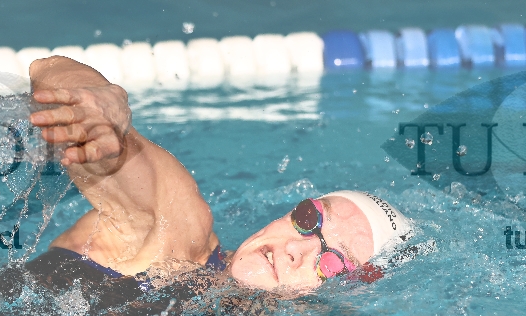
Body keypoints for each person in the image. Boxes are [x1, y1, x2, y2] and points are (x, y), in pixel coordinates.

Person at [26, 56, 414, 294]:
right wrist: (96, 103)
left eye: (333, 263)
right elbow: (48, 70)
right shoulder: (176, 235)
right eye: (309, 219)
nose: (296, 249)